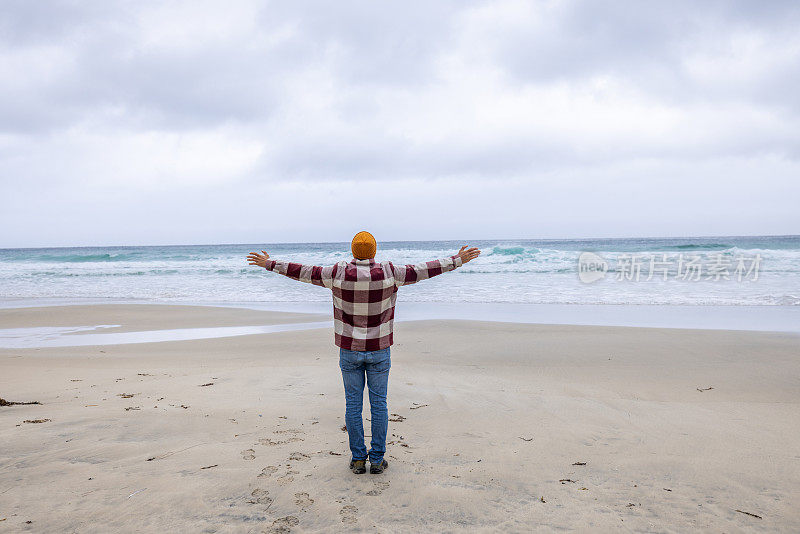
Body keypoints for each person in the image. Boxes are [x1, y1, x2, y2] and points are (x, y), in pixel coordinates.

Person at [247, 232, 481, 474]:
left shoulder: (337, 273)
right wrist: (458, 259)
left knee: (353, 405)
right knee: (379, 404)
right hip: (379, 350)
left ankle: (358, 459)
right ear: (374, 252)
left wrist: (269, 264)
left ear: (352, 251)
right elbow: (424, 270)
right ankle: (377, 460)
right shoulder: (390, 272)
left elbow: (304, 271)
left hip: (349, 350)